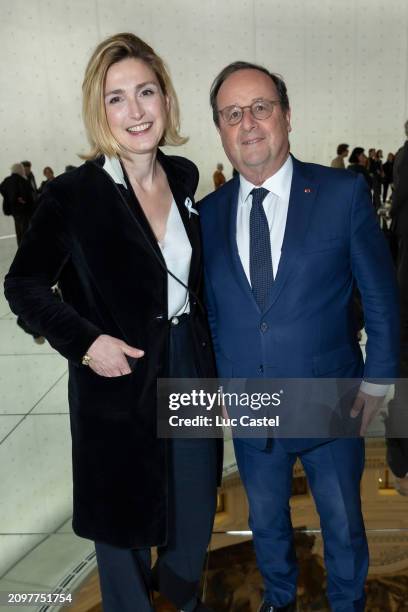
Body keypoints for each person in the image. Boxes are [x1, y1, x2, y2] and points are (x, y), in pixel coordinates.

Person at [4, 33, 220, 612]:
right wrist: (86, 342)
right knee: (122, 533)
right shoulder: (71, 195)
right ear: (99, 113)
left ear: (166, 99)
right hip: (116, 381)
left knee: (194, 517)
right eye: (116, 98)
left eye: (145, 92)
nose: (135, 111)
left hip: (190, 373)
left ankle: (179, 599)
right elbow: (22, 285)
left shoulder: (183, 176)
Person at [199, 61, 399, 611]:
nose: (249, 124)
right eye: (232, 114)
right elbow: (214, 312)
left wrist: (379, 382)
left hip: (332, 401)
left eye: (261, 108)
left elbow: (380, 297)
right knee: (265, 523)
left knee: (342, 524)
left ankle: (346, 602)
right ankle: (279, 598)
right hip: (250, 407)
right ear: (220, 129)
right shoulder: (208, 214)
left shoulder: (341, 193)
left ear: (287, 116)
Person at [0, 162, 35, 245]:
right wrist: (20, 199)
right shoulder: (22, 180)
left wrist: (10, 198)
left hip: (14, 211)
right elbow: (27, 194)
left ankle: (20, 248)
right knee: (25, 231)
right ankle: (26, 249)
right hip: (24, 210)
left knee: (18, 231)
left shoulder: (7, 180)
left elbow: (2, 188)